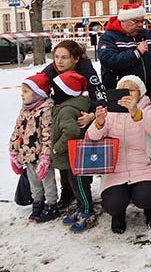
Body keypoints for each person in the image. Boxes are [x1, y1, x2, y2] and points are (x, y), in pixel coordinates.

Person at [89, 75, 151, 234]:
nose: (127, 94)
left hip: (145, 168)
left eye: (131, 90)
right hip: (115, 169)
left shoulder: (146, 108)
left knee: (146, 197)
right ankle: (118, 214)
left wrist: (136, 112)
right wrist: (99, 123)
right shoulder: (110, 111)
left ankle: (150, 208)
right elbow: (91, 139)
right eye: (123, 90)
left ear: (140, 93)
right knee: (112, 203)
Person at [42, 40, 107, 209]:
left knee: (77, 164)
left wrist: (91, 115)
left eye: (64, 57)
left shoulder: (86, 70)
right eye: (56, 57)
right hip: (59, 120)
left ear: (76, 59)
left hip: (81, 120)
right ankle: (67, 191)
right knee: (63, 160)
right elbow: (37, 87)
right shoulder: (51, 70)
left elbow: (100, 97)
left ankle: (82, 198)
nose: (59, 61)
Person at [50, 71, 95, 232]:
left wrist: (57, 147)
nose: (51, 93)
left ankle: (87, 210)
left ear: (65, 92)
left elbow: (71, 132)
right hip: (72, 156)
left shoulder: (67, 110)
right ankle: (80, 206)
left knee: (80, 185)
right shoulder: (65, 107)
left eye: (54, 90)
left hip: (76, 156)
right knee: (74, 184)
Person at [9, 73, 57, 223]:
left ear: (37, 93)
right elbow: (17, 131)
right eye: (21, 92)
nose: (22, 95)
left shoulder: (46, 110)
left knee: (47, 180)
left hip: (42, 155)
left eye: (25, 92)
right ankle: (37, 202)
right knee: (33, 181)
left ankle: (52, 204)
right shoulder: (24, 110)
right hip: (27, 155)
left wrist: (46, 156)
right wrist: (14, 150)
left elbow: (48, 134)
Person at [98, 2, 151, 94]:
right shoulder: (109, 37)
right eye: (135, 21)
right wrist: (136, 53)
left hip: (148, 92)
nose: (140, 25)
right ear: (123, 21)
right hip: (121, 93)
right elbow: (109, 61)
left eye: (142, 21)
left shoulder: (147, 35)